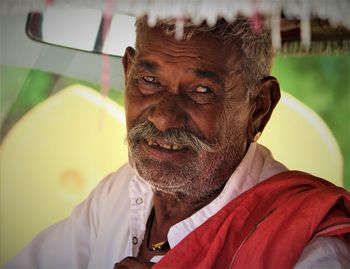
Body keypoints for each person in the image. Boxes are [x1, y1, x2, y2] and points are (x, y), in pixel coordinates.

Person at [3, 16, 350, 269]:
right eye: (149, 80)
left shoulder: (308, 246)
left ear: (258, 106)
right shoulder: (121, 192)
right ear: (127, 73)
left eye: (202, 91)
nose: (163, 117)